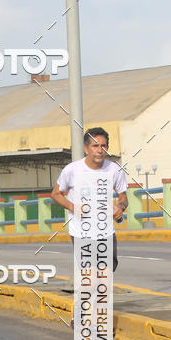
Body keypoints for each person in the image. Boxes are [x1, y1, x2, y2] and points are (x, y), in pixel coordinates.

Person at [51, 126, 128, 325]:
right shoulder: (72, 170)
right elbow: (56, 194)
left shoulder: (114, 170)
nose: (99, 150)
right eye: (95, 146)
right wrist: (72, 206)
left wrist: (120, 207)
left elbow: (123, 196)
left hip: (106, 230)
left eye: (103, 146)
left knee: (105, 274)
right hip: (81, 231)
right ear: (86, 149)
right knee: (90, 275)